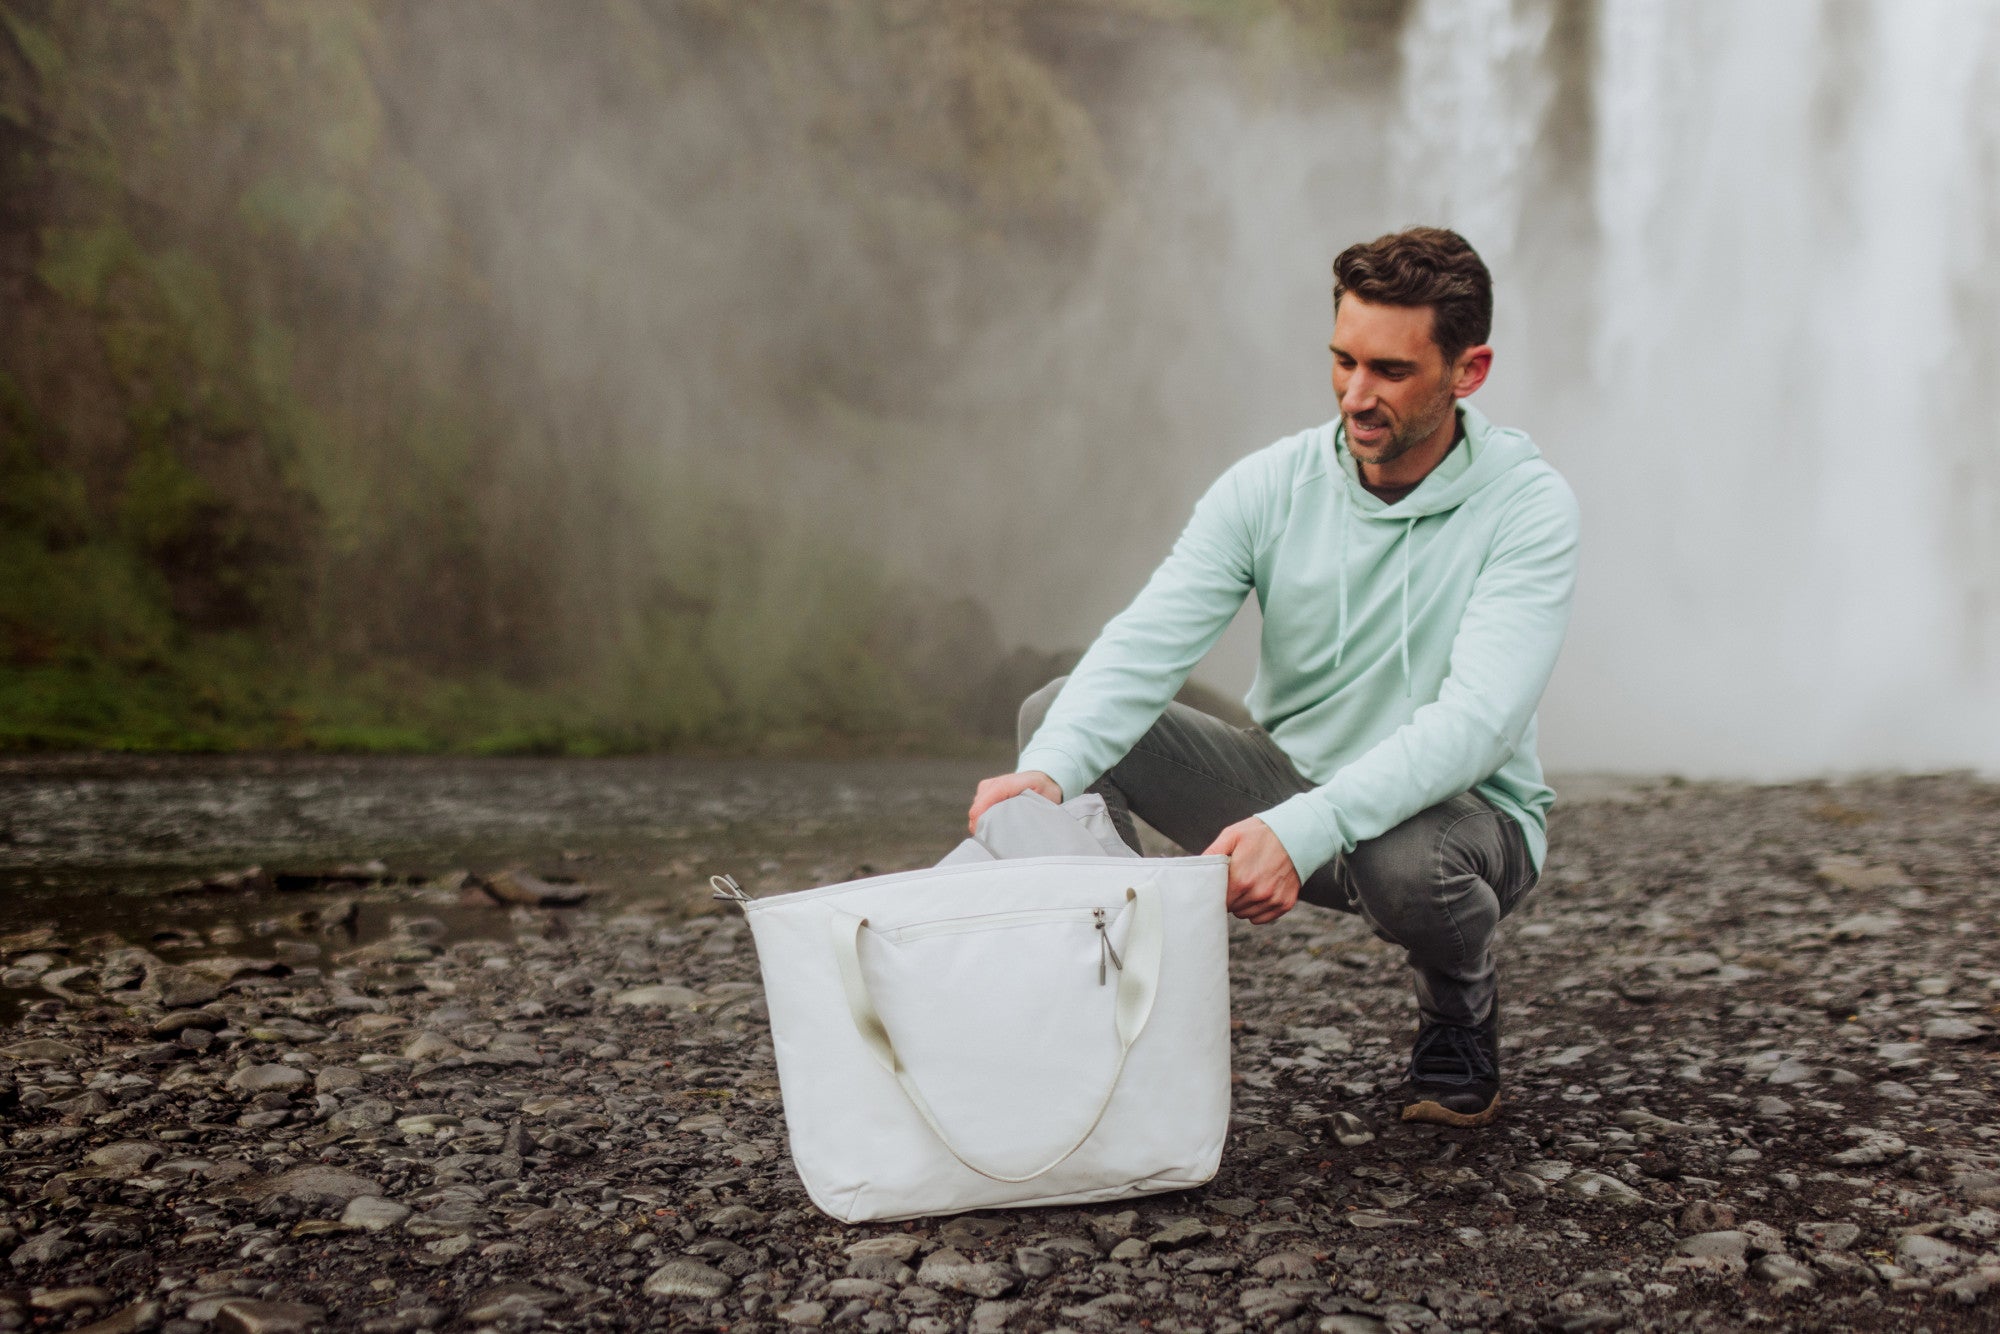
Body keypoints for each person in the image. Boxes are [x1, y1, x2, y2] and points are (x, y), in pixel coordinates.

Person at [968, 227, 1579, 1127]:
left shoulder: (1528, 508)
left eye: (1390, 372)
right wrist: (1050, 768)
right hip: (1287, 786)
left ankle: (1459, 1018)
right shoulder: (1270, 486)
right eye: (1342, 362)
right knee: (1053, 714)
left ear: (1468, 370)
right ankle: (1123, 1027)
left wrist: (1302, 830)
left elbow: (1477, 726)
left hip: (1461, 822)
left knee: (1407, 856)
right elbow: (1148, 642)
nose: (1356, 397)